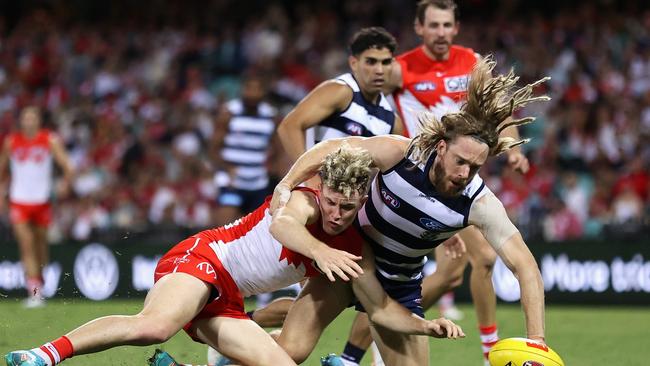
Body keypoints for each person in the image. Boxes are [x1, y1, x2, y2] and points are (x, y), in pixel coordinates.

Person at [5, 145, 464, 366]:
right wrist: (321, 250)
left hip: (230, 302)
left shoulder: (353, 248)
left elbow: (381, 307)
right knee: (154, 326)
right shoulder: (304, 200)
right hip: (204, 260)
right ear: (321, 192)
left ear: (362, 201)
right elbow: (283, 225)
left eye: (349, 207)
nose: (339, 214)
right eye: (333, 203)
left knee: (285, 364)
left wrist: (425, 324)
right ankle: (43, 355)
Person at [272, 57, 550, 366]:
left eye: (475, 167)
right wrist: (287, 184)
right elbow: (332, 148)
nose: (464, 173)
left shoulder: (479, 203)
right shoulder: (401, 153)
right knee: (290, 351)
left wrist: (536, 341)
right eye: (460, 161)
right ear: (441, 148)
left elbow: (525, 267)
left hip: (396, 285)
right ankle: (235, 347)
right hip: (347, 259)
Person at [337, 1, 532, 364]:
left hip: (452, 182)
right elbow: (368, 93)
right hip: (409, 183)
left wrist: (513, 146)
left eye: (447, 25)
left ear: (456, 28)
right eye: (434, 25)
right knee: (459, 266)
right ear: (419, 28)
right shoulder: (401, 69)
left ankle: (374, 344)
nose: (441, 32)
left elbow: (497, 111)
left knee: (455, 271)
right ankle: (359, 351)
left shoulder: (471, 62)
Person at [277, 26, 404, 163]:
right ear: (354, 63)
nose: (379, 70)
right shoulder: (339, 91)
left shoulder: (392, 121)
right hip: (318, 183)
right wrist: (309, 178)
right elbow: (289, 126)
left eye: (385, 62)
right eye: (371, 62)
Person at [0, 106, 74, 308]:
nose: (29, 121)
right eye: (26, 117)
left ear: (39, 120)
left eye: (33, 117)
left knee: (41, 247)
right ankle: (34, 292)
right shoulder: (11, 142)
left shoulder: (49, 140)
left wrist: (65, 185)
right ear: (21, 121)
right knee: (26, 245)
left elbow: (68, 166)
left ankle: (39, 282)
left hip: (42, 202)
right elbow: (2, 169)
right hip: (19, 201)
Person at [211, 72, 281, 227]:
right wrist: (226, 167)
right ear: (242, 89)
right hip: (231, 182)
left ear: (263, 91)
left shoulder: (270, 116)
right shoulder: (229, 113)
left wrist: (273, 171)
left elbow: (278, 149)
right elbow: (213, 149)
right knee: (224, 229)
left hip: (258, 182)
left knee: (257, 231)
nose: (252, 93)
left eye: (257, 89)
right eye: (249, 88)